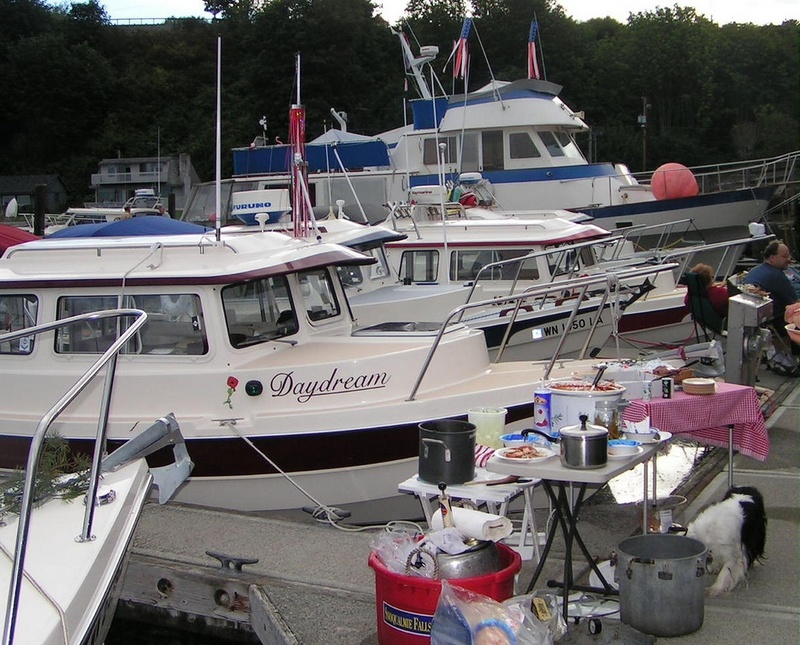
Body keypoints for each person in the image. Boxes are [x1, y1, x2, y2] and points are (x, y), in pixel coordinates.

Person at [743, 241, 797, 321]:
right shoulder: (776, 276)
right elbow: (795, 303)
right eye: (785, 256)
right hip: (776, 319)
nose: (789, 259)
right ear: (772, 258)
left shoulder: (755, 270)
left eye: (789, 255)